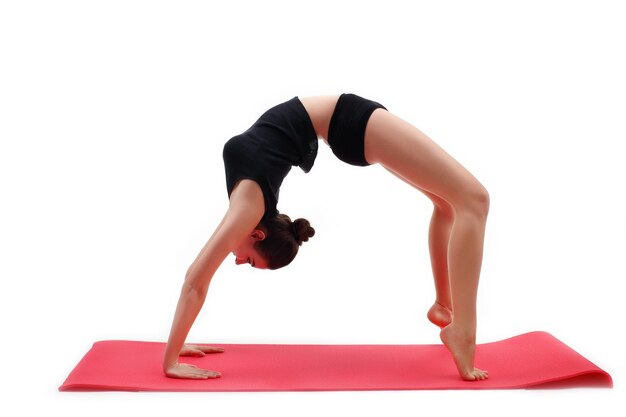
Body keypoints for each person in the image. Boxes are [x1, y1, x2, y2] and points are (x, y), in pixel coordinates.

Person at [162, 93, 490, 381]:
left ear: (257, 233)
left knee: (457, 203)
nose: (236, 259)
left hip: (348, 121)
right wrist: (175, 352)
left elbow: (196, 279)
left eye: (248, 260)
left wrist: (172, 358)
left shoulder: (246, 208)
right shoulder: (248, 204)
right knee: (467, 201)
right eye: (247, 260)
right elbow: (197, 281)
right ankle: (455, 323)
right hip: (349, 125)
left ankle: (449, 314)